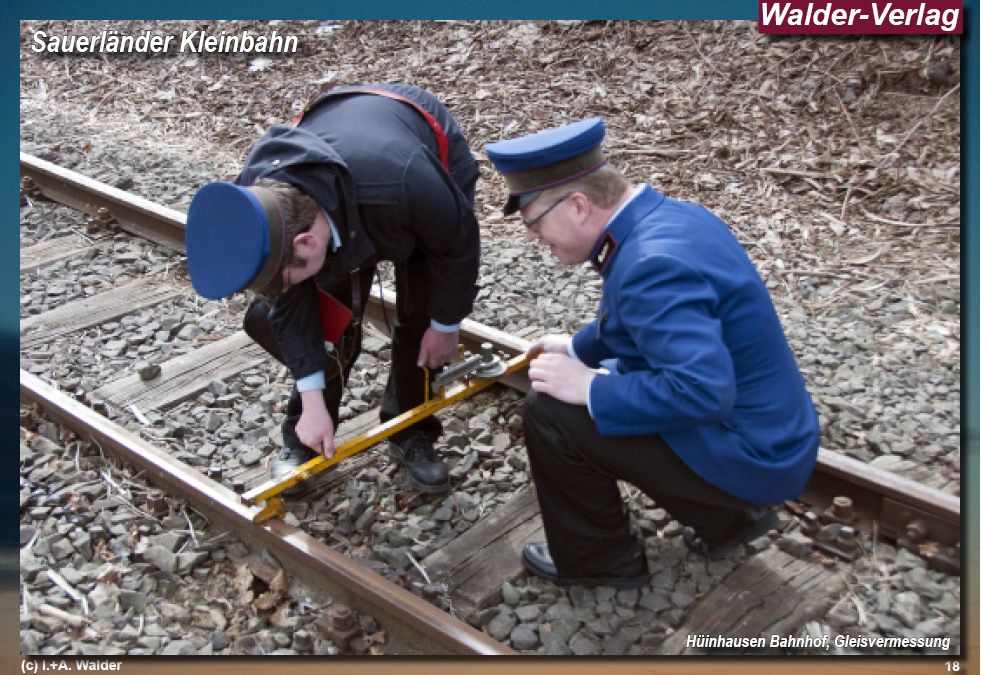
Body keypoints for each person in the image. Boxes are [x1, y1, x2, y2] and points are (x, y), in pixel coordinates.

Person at [485, 118, 820, 588]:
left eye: (534, 221)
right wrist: (579, 346)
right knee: (595, 385)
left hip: (754, 455)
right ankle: (728, 520)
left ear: (579, 205)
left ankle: (599, 561)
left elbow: (702, 393)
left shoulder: (649, 264)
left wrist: (590, 387)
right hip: (774, 432)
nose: (531, 237)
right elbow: (641, 320)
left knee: (551, 412)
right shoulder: (669, 220)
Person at [185, 83, 480, 494]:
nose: (286, 288)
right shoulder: (258, 200)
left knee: (422, 316)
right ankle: (306, 436)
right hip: (347, 176)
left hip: (418, 161)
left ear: (307, 242)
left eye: (287, 278)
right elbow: (291, 303)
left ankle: (412, 431)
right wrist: (312, 402)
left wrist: (447, 323)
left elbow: (459, 242)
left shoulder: (407, 183)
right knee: (330, 320)